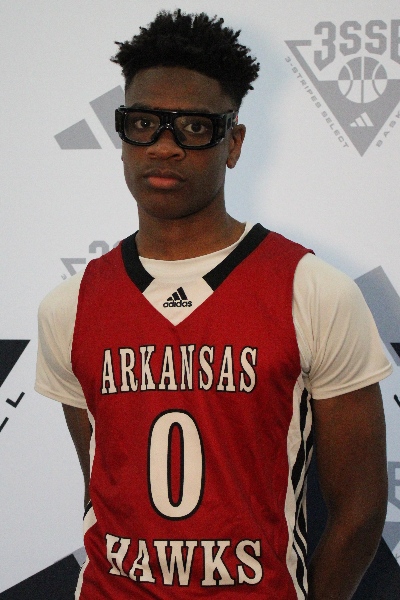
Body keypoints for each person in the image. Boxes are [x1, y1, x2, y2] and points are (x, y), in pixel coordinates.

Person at [35, 9, 392, 600]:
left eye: (195, 128)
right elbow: (102, 485)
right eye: (143, 123)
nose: (165, 147)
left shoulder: (313, 290)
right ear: (122, 136)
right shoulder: (69, 307)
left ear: (234, 143)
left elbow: (360, 510)